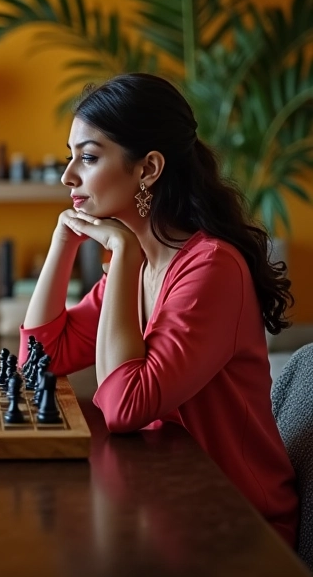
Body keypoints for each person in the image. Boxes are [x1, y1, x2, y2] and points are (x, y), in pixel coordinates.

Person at [22, 73, 299, 547]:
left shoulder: (210, 269)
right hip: (162, 501)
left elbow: (124, 408)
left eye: (88, 157)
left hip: (237, 527)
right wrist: (62, 243)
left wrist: (123, 253)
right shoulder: (141, 264)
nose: (68, 176)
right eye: (71, 157)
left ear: (148, 168)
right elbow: (38, 360)